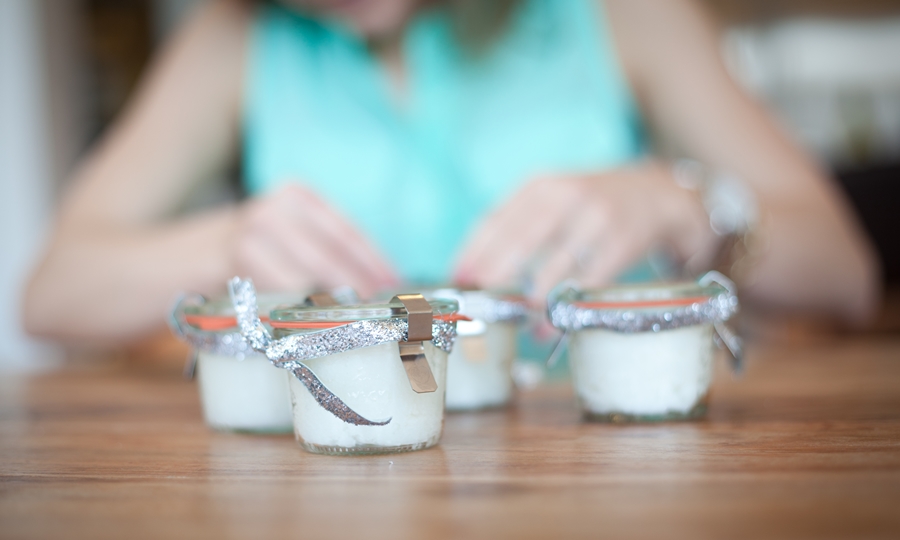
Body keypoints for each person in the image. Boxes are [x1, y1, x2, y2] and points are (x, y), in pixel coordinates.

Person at [24, 0, 879, 346]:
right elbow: (52, 293)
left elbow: (847, 268)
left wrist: (683, 205)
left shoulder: (625, 13)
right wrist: (224, 243)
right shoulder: (237, 37)